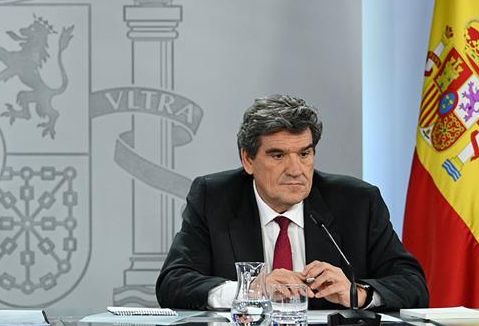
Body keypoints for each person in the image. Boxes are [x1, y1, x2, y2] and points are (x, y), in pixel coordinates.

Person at [156, 94, 428, 311]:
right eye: (278, 155)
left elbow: (412, 284)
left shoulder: (357, 202)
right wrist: (251, 288)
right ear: (248, 159)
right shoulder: (214, 197)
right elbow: (173, 283)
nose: (296, 169)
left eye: (304, 153)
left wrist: (356, 292)